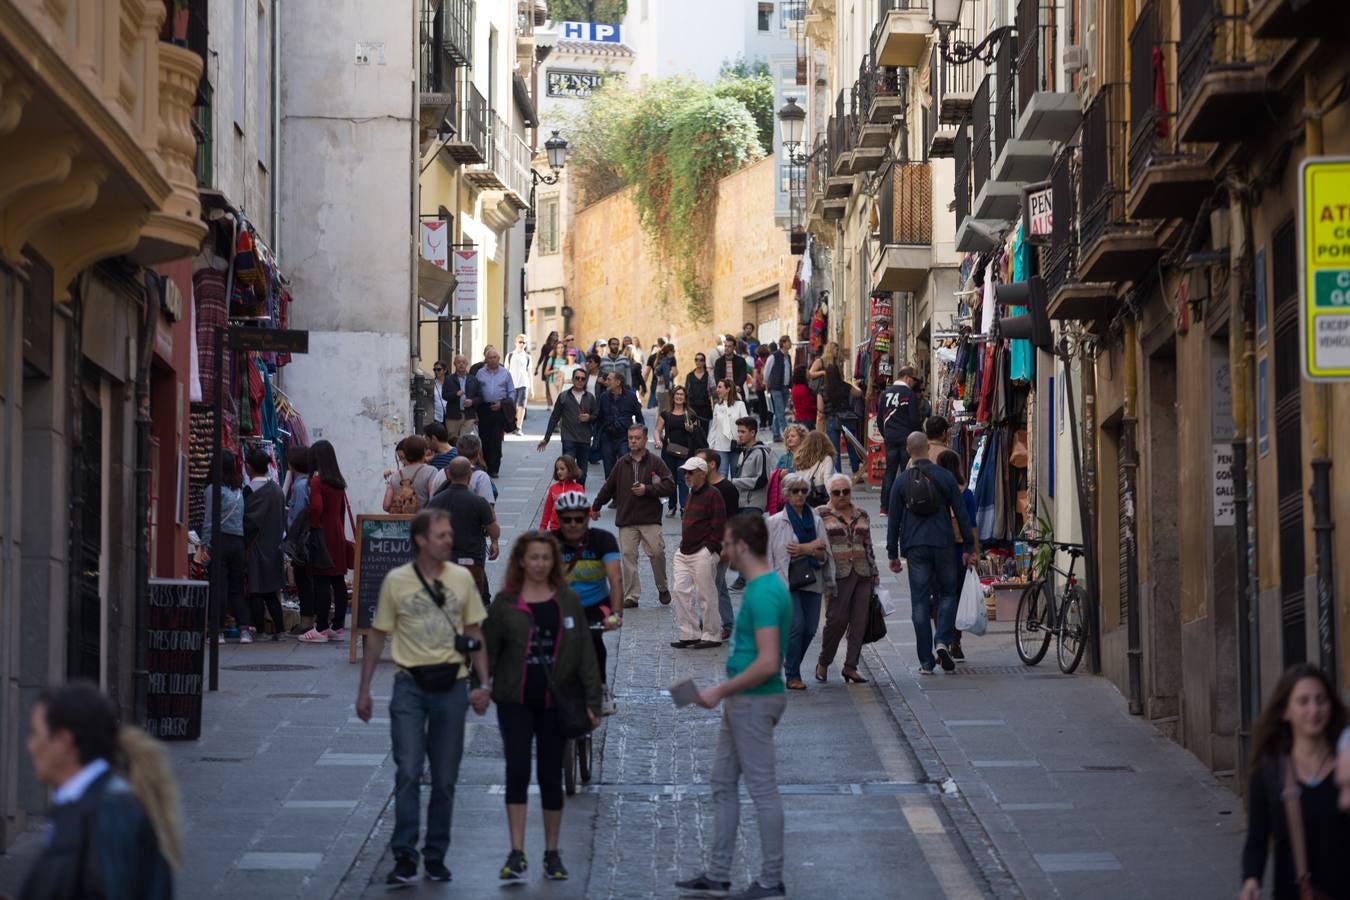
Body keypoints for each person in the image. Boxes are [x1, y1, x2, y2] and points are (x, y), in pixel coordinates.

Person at [355, 508, 490, 886]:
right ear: (420, 540)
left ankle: (435, 855)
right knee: (409, 771)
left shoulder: (462, 578)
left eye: (450, 534)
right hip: (409, 685)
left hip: (452, 685)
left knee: (445, 777)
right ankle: (404, 854)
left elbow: (474, 632)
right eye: (442, 535)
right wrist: (364, 690)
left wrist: (484, 683)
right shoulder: (396, 581)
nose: (449, 540)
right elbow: (377, 635)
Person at [675, 514, 791, 900]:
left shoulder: (763, 592)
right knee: (723, 783)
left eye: (726, 545)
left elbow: (768, 662)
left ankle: (771, 880)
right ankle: (718, 873)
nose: (723, 552)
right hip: (744, 700)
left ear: (742, 546)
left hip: (755, 701)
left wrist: (719, 691)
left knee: (762, 790)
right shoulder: (763, 587)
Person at [483, 532, 602, 882]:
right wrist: (479, 686)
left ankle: (552, 852)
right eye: (533, 558)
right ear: (521, 561)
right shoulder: (505, 602)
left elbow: (585, 653)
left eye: (545, 558)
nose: (539, 564)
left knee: (551, 776)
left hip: (555, 702)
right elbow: (489, 650)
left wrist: (592, 701)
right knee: (517, 771)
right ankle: (516, 850)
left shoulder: (567, 600)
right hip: (515, 701)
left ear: (554, 562)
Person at [20, 683, 180, 899]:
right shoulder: (82, 805)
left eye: (35, 733)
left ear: (64, 741)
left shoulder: (109, 814)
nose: (29, 746)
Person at [1240, 664, 1350, 900]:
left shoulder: (1346, 765)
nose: (1314, 709)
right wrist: (1251, 880)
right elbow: (1257, 838)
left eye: (1321, 700)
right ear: (1285, 711)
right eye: (1303, 701)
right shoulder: (1269, 773)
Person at [886, 432, 976, 674]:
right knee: (947, 594)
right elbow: (962, 514)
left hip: (915, 545)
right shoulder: (945, 477)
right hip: (944, 542)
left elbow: (893, 519)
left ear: (908, 450)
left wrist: (892, 553)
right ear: (928, 448)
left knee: (919, 601)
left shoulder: (901, 481)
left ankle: (925, 661)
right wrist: (969, 547)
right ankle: (943, 641)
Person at [550, 490, 622, 714]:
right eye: (567, 519)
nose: (573, 524)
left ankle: (601, 688)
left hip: (596, 604)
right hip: (561, 605)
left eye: (578, 519)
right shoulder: (550, 543)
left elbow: (615, 579)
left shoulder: (603, 540)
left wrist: (616, 614)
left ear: (587, 518)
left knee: (593, 639)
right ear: (559, 520)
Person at [590, 424, 674, 609]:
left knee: (657, 552)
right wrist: (596, 506)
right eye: (630, 438)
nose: (633, 441)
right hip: (627, 518)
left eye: (637, 438)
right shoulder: (622, 463)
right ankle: (632, 596)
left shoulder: (655, 462)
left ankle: (662, 587)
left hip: (650, 518)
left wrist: (648, 489)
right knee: (628, 556)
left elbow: (670, 485)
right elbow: (608, 486)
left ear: (645, 439)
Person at [767, 472, 834, 691]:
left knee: (810, 629)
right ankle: (793, 674)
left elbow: (824, 554)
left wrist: (806, 549)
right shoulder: (774, 522)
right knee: (796, 626)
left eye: (804, 491)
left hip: (812, 579)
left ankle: (790, 662)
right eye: (795, 491)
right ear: (786, 494)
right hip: (785, 581)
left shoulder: (816, 521)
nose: (800, 495)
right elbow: (767, 557)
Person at [815, 473, 878, 684]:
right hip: (836, 575)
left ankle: (851, 666)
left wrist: (874, 572)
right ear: (829, 493)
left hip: (862, 573)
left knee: (859, 622)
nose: (842, 495)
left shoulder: (862, 514)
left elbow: (868, 545)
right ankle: (824, 662)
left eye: (846, 491)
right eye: (836, 492)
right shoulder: (820, 515)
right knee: (836, 621)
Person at [670, 457, 728, 651]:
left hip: (702, 551)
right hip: (685, 550)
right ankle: (689, 634)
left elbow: (719, 525)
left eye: (690, 472)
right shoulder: (691, 493)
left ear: (702, 474)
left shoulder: (713, 494)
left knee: (706, 594)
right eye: (685, 472)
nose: (686, 476)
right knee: (680, 591)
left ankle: (712, 635)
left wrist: (708, 549)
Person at [426, 457, 500, 603]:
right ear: (470, 475)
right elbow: (494, 530)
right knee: (473, 603)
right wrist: (494, 542)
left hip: (443, 562)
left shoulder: (435, 501)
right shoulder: (479, 502)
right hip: (471, 562)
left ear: (448, 474)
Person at [302, 440, 353, 643]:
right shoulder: (338, 482)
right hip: (337, 534)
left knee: (322, 580)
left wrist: (312, 524)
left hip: (322, 534)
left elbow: (316, 508)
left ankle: (321, 627)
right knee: (338, 580)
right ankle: (337, 625)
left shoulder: (317, 482)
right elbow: (340, 512)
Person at [936, 449, 978, 663]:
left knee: (940, 596)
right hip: (961, 550)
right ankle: (956, 642)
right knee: (958, 596)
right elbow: (972, 525)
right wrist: (975, 551)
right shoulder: (966, 493)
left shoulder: (935, 491)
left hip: (940, 548)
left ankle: (940, 640)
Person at [201, 449, 247, 644]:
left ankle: (217, 631)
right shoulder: (238, 491)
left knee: (218, 587)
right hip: (238, 542)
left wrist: (204, 545)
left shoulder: (213, 489)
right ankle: (244, 630)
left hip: (220, 540)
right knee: (237, 589)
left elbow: (209, 520)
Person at [243, 449, 287, 640]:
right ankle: (280, 630)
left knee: (256, 590)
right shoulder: (277, 490)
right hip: (274, 546)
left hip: (254, 546)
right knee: (271, 591)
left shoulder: (247, 491)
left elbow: (245, 521)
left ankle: (259, 631)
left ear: (249, 467)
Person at [699, 448, 740, 641]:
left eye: (700, 462)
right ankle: (728, 623)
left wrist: (728, 546)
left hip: (721, 543)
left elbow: (733, 521)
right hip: (704, 543)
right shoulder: (700, 486)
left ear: (712, 464)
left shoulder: (727, 488)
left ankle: (707, 624)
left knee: (712, 585)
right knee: (719, 585)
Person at [537, 366, 598, 488]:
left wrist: (589, 418)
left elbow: (596, 416)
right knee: (567, 469)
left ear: (585, 380)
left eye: (582, 379)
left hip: (584, 439)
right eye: (577, 378)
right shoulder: (564, 396)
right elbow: (554, 418)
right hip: (568, 438)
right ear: (573, 379)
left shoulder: (590, 397)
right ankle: (566, 493)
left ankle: (579, 495)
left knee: (582, 472)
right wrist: (546, 438)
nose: (580, 381)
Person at [656, 385, 707, 515]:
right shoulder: (665, 414)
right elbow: (657, 430)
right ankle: (672, 506)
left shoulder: (691, 414)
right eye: (677, 394)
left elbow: (698, 433)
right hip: (669, 452)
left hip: (686, 452)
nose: (679, 396)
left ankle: (684, 507)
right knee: (670, 479)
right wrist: (658, 441)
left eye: (681, 394)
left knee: (683, 479)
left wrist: (691, 429)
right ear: (673, 397)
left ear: (685, 398)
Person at [466, 346, 515, 476]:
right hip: (484, 409)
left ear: (498, 359)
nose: (492, 360)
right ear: (486, 359)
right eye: (489, 358)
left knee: (496, 439)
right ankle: (485, 465)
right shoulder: (480, 373)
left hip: (499, 409)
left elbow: (511, 392)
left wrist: (503, 404)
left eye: (494, 357)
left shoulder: (505, 373)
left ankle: (494, 469)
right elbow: (475, 392)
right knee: (484, 438)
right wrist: (475, 412)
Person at [877, 366, 921, 509]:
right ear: (907, 377)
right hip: (906, 439)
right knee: (906, 471)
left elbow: (879, 418)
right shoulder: (909, 394)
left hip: (890, 438)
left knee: (889, 472)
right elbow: (914, 419)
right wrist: (917, 436)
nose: (914, 383)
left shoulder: (885, 394)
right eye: (914, 380)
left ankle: (884, 505)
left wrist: (886, 434)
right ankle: (906, 504)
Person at [284, 445, 316, 635]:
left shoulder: (299, 486)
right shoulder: (311, 482)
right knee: (310, 580)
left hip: (301, 540)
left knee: (303, 580)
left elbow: (296, 515)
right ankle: (311, 619)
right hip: (312, 538)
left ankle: (306, 621)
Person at [596, 371, 643, 481]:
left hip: (624, 437)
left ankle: (624, 490)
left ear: (618, 382)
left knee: (626, 468)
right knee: (609, 470)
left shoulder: (631, 397)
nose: (606, 382)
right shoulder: (604, 397)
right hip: (607, 437)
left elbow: (639, 416)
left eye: (609, 379)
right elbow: (599, 417)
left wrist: (641, 435)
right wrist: (596, 437)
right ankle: (611, 490)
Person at [821, 354, 863, 476]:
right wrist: (855, 385)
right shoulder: (845, 385)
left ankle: (837, 473)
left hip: (831, 419)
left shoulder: (823, 389)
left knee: (834, 448)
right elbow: (859, 393)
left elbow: (820, 408)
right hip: (846, 418)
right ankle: (856, 470)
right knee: (851, 445)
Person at [430, 433, 496, 505]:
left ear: (457, 452)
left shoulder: (441, 473)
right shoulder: (481, 477)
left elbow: (432, 500)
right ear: (478, 454)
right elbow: (488, 506)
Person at [731, 416, 774, 515]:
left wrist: (734, 482)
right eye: (738, 431)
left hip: (754, 505)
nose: (739, 435)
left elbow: (762, 480)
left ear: (752, 433)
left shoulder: (761, 453)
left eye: (743, 432)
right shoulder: (743, 453)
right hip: (742, 504)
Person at [383, 435, 437, 514]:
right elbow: (434, 502)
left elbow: (386, 506)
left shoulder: (395, 476)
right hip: (421, 520)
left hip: (399, 521)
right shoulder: (431, 471)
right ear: (424, 451)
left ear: (405, 453)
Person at [709, 379, 749, 478]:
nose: (717, 390)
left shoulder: (740, 405)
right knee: (722, 475)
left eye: (720, 387)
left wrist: (744, 440)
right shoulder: (717, 406)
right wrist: (710, 445)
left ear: (728, 389)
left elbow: (746, 424)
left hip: (736, 445)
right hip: (720, 446)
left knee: (737, 475)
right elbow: (714, 427)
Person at [539, 455, 584, 531]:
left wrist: (593, 512)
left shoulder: (578, 488)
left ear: (570, 470)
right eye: (557, 469)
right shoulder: (553, 488)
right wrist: (542, 527)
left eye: (562, 469)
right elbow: (547, 509)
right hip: (555, 528)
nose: (559, 472)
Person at [794, 429, 838, 507]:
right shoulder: (826, 459)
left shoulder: (800, 458)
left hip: (802, 496)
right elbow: (828, 481)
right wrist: (834, 500)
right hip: (819, 498)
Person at [763, 335, 792, 442]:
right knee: (780, 412)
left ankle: (776, 435)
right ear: (783, 343)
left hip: (785, 387)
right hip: (776, 387)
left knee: (778, 411)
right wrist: (767, 384)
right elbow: (767, 371)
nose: (790, 343)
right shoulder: (774, 356)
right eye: (788, 341)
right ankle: (787, 434)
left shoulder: (788, 357)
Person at [441, 355, 476, 441]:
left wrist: (472, 401)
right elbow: (444, 395)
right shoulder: (449, 379)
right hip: (453, 415)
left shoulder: (473, 379)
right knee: (452, 439)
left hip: (468, 415)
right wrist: (455, 394)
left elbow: (479, 396)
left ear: (467, 364)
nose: (461, 364)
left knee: (465, 440)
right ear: (454, 364)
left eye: (463, 362)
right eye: (458, 362)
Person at [506, 334, 533, 432]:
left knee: (522, 406)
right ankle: (512, 426)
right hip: (512, 385)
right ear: (515, 343)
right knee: (512, 406)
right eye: (520, 342)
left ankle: (519, 427)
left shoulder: (528, 357)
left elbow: (529, 373)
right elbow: (506, 371)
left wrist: (531, 388)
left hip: (524, 384)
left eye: (524, 342)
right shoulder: (510, 355)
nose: (522, 344)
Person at [685, 350, 717, 426]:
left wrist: (716, 407)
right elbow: (686, 392)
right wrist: (686, 408)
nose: (698, 362)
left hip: (705, 408)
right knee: (694, 430)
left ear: (704, 362)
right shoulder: (689, 376)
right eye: (696, 359)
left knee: (705, 430)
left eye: (701, 360)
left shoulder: (709, 376)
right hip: (693, 409)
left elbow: (714, 392)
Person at [535, 330, 560, 407]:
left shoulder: (558, 346)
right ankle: (549, 404)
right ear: (550, 336)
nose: (555, 337)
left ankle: (555, 401)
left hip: (555, 365)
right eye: (554, 335)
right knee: (547, 385)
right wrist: (537, 368)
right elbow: (541, 357)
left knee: (555, 384)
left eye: (557, 335)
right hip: (547, 366)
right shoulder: (545, 346)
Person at [432, 359, 447, 424]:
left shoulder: (450, 383)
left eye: (439, 369)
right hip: (436, 417)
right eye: (434, 369)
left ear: (445, 370)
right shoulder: (432, 384)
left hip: (449, 417)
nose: (436, 371)